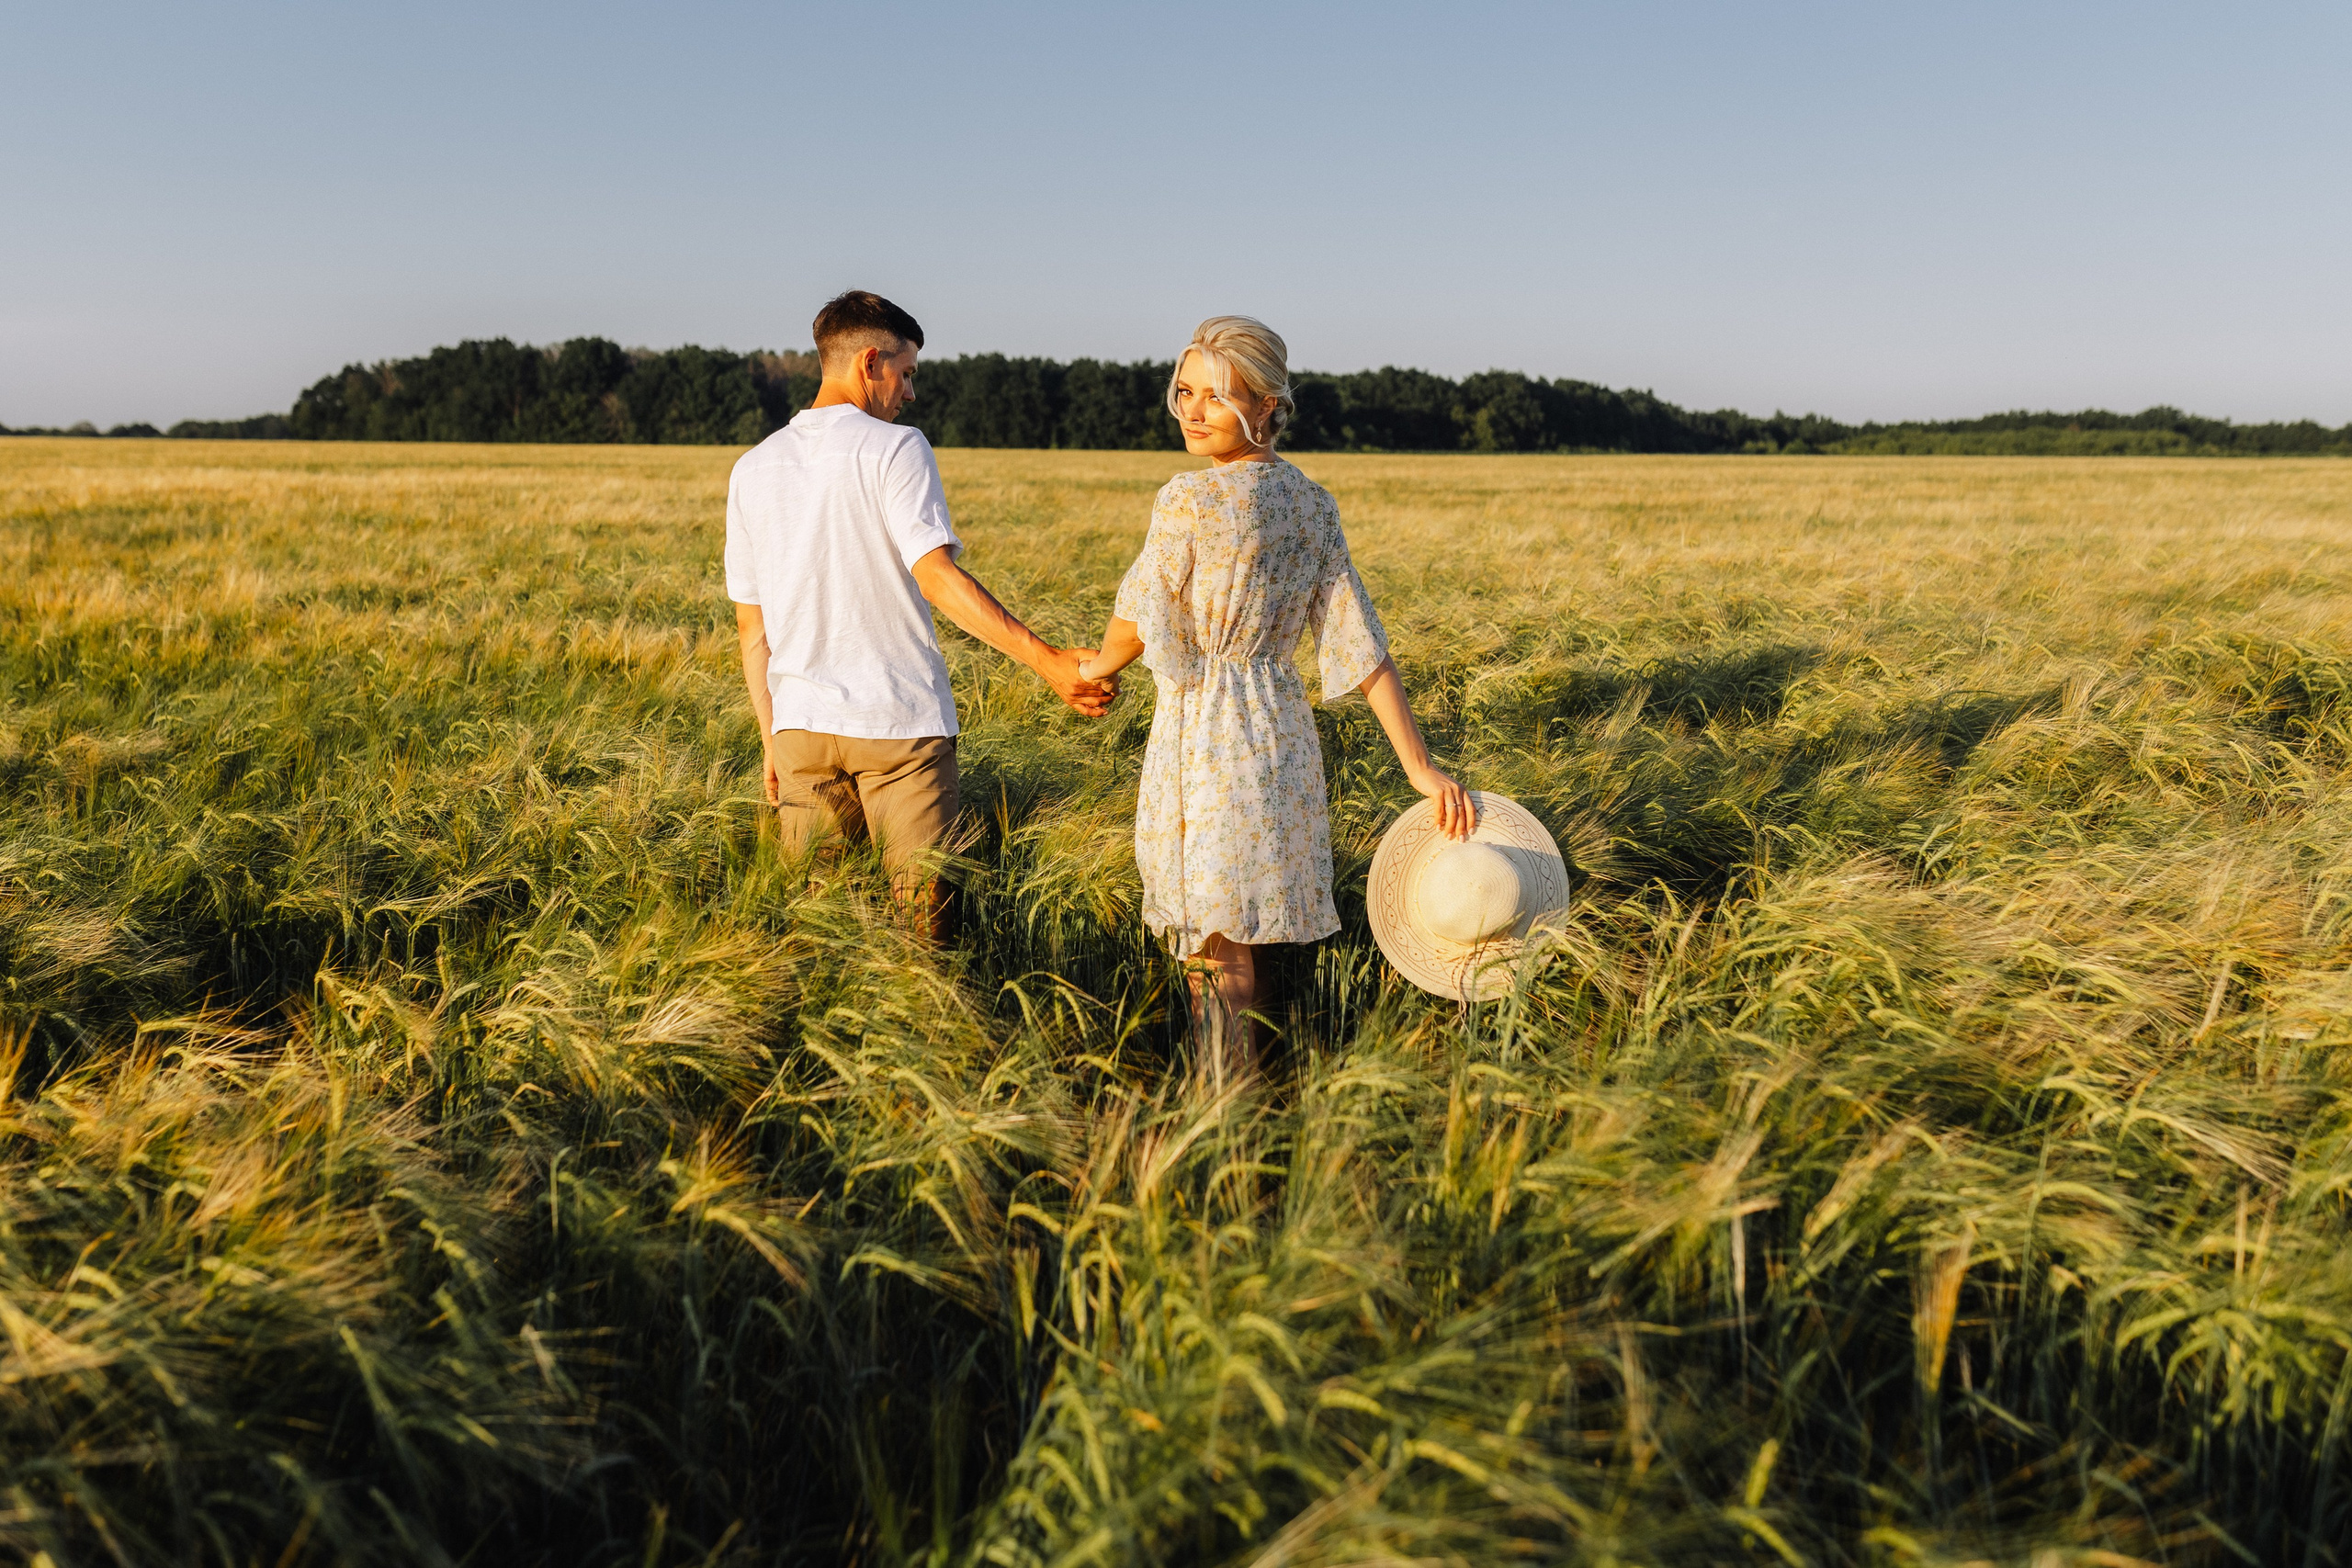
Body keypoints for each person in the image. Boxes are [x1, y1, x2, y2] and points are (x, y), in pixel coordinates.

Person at [1077, 315, 1473, 1079]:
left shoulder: (1187, 499)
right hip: (1279, 735)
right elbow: (1360, 648)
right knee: (1237, 937)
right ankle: (1247, 1100)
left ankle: (1227, 1115)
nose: (1192, 411)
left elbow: (1136, 621)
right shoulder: (1313, 503)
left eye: (1215, 397)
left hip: (1205, 730)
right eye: (1184, 391)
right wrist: (1418, 766)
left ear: (1265, 405)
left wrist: (1092, 669)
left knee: (1212, 942)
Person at [726, 290, 1112, 934]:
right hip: (896, 728)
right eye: (906, 374)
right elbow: (936, 578)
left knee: (820, 931)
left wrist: (772, 737)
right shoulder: (895, 449)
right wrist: (1048, 662)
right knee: (920, 939)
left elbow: (751, 629)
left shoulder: (751, 468)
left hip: (799, 734)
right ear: (870, 362)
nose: (910, 394)